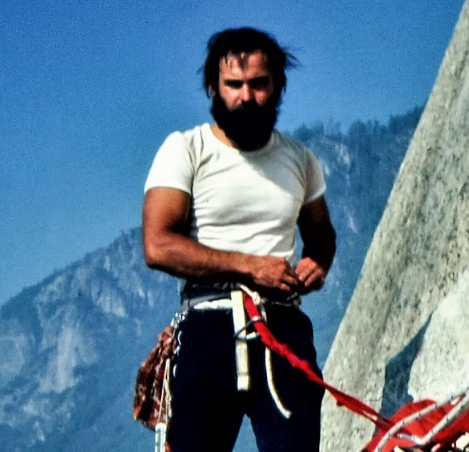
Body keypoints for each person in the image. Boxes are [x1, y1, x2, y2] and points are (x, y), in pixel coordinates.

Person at [142, 27, 336, 452]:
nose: (246, 97)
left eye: (258, 84)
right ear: (213, 87)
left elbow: (321, 236)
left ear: (277, 86)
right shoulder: (185, 150)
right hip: (207, 329)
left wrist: (316, 265)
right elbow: (158, 245)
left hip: (282, 329)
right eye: (234, 85)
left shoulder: (301, 160)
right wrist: (251, 265)